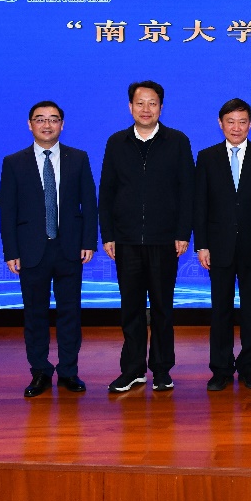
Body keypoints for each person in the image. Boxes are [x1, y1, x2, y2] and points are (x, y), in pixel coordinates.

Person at [99, 81, 195, 393]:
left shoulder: (177, 141)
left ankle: (162, 370)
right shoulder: (117, 142)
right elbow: (107, 191)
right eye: (140, 103)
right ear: (130, 107)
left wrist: (182, 232)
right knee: (131, 309)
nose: (146, 109)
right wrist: (108, 234)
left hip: (165, 240)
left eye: (152, 103)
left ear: (161, 107)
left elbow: (187, 191)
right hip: (126, 240)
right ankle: (133, 370)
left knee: (163, 309)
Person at [0, 100, 97, 398]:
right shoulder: (13, 162)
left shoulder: (78, 158)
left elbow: (89, 204)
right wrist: (10, 251)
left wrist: (88, 242)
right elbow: (7, 210)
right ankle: (39, 371)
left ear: (62, 125)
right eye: (40, 119)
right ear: (30, 124)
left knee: (70, 313)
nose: (47, 124)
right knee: (35, 315)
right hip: (31, 250)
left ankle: (68, 371)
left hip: (69, 249)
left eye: (53, 119)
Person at [194, 98, 251, 391]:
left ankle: (250, 368)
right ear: (220, 123)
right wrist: (202, 244)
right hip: (218, 248)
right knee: (220, 311)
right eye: (230, 121)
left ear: (250, 124)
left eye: (242, 122)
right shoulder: (207, 157)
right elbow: (200, 204)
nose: (236, 128)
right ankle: (221, 369)